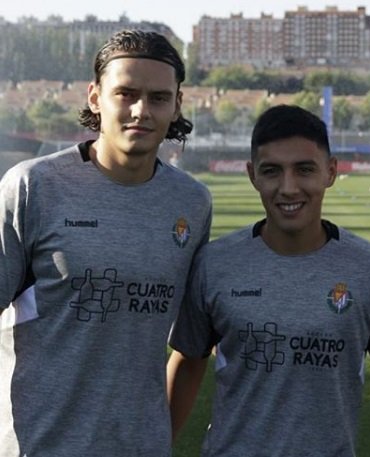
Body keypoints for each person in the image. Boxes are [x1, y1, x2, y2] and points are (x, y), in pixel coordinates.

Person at [167, 104, 370, 457]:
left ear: (331, 171)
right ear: (252, 175)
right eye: (272, 171)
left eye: (304, 169)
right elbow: (187, 359)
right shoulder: (214, 264)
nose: (288, 188)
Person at [0, 29, 212, 456]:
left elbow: (191, 348)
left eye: (157, 98)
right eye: (126, 94)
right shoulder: (32, 187)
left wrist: (156, 440)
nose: (141, 111)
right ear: (96, 97)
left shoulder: (192, 203)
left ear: (177, 105)